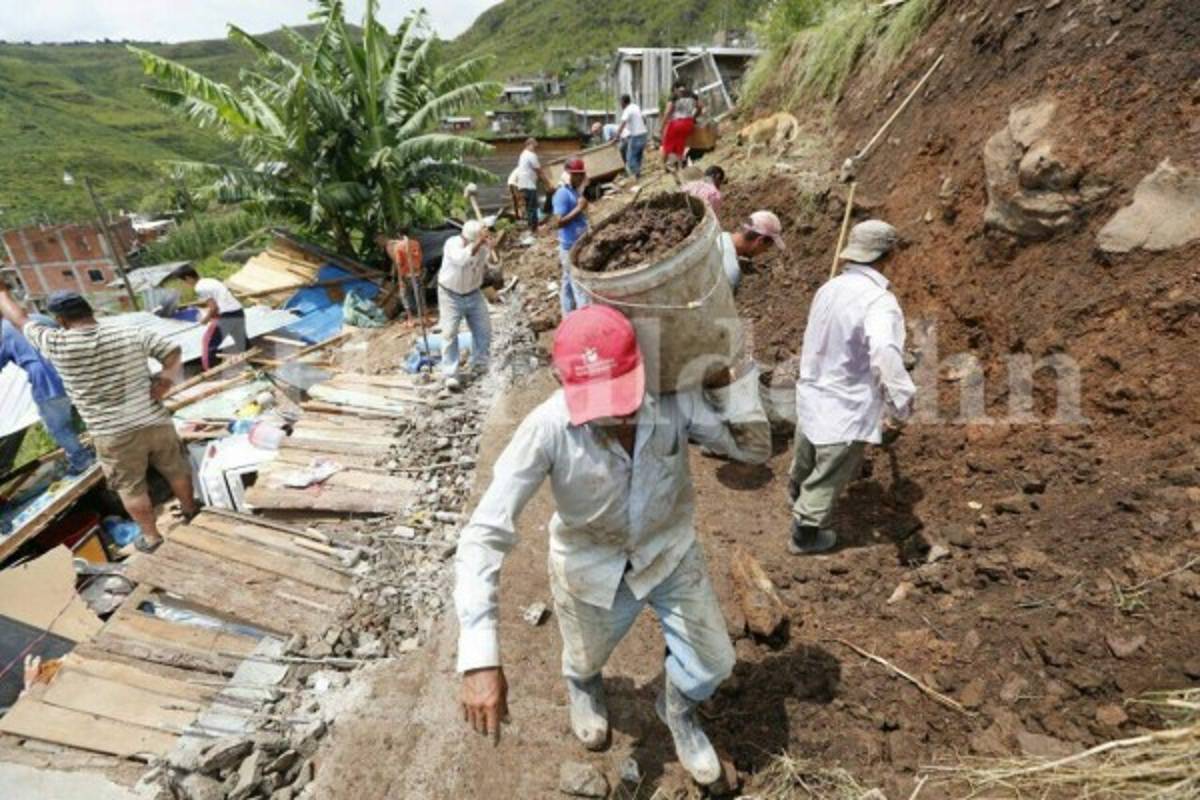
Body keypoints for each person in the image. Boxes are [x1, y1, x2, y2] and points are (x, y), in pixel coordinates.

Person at [455, 305, 770, 786]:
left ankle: (678, 710)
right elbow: (483, 534)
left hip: (669, 553)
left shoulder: (672, 400)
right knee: (585, 658)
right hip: (592, 564)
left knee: (715, 663)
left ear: (642, 368)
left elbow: (751, 450)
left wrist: (728, 379)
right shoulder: (547, 428)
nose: (617, 412)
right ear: (564, 385)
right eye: (599, 400)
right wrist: (480, 656)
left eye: (623, 393)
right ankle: (582, 684)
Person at [0, 288, 199, 551]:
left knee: (131, 487)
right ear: (89, 310)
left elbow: (21, 319)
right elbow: (172, 352)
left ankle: (151, 537)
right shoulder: (129, 331)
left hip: (113, 432)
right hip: (153, 418)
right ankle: (190, 511)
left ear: (60, 320)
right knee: (175, 468)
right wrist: (164, 383)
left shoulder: (57, 344)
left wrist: (2, 293)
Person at [789, 220, 916, 555]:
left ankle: (797, 490)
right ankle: (807, 532)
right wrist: (900, 403)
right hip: (846, 401)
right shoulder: (879, 301)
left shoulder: (829, 288)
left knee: (808, 451)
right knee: (835, 465)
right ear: (888, 255)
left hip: (814, 388)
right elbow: (884, 352)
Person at [0, 320, 92, 474]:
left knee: (58, 427)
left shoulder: (3, 332)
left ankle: (82, 460)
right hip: (71, 370)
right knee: (88, 411)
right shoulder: (36, 318)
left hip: (47, 381)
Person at [437, 221, 493, 391]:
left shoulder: (482, 248)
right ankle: (450, 374)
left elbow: (490, 262)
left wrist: (490, 246)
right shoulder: (452, 244)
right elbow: (462, 259)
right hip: (450, 295)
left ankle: (480, 365)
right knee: (449, 333)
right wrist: (479, 242)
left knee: (483, 330)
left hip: (473, 293)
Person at [167, 266, 246, 369]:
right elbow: (218, 301)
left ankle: (211, 372)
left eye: (183, 282)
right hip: (238, 311)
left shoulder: (199, 287)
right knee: (242, 341)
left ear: (188, 278)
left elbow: (214, 308)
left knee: (208, 343)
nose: (185, 285)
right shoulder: (209, 280)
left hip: (226, 316)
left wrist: (205, 319)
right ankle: (256, 364)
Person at [552, 158, 590, 314]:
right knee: (578, 285)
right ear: (569, 175)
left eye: (582, 174)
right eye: (578, 175)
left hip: (577, 243)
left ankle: (567, 316)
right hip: (569, 247)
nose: (581, 177)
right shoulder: (562, 193)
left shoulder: (573, 191)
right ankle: (584, 318)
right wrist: (579, 208)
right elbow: (558, 222)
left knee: (568, 282)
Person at [716, 210, 787, 292]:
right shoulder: (731, 273)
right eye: (767, 247)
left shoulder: (717, 234)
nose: (765, 251)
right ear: (760, 241)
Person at [375, 232, 427, 324]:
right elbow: (420, 258)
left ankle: (410, 319)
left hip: (406, 275)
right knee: (419, 295)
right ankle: (425, 317)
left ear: (381, 239)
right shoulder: (415, 243)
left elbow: (398, 264)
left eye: (378, 242)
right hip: (417, 273)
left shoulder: (392, 247)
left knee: (404, 296)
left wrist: (398, 278)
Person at [661, 83, 702, 171]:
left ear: (675, 88)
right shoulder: (692, 95)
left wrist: (662, 126)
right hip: (688, 123)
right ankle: (680, 167)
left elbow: (667, 112)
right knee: (680, 144)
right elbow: (700, 107)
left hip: (676, 123)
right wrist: (694, 117)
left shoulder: (674, 96)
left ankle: (664, 166)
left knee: (666, 145)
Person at [515, 138, 548, 232]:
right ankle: (535, 228)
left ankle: (531, 227)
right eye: (534, 146)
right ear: (529, 144)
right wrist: (547, 183)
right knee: (533, 207)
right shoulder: (530, 155)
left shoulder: (523, 154)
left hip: (522, 185)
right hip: (529, 185)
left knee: (529, 208)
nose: (535, 148)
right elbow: (539, 170)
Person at [615, 94, 648, 178]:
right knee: (638, 156)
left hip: (636, 136)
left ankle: (638, 174)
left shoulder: (627, 110)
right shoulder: (635, 107)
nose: (620, 105)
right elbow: (644, 119)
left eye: (620, 102)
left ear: (623, 102)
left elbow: (623, 123)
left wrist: (617, 136)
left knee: (630, 159)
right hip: (644, 134)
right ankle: (638, 175)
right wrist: (641, 127)